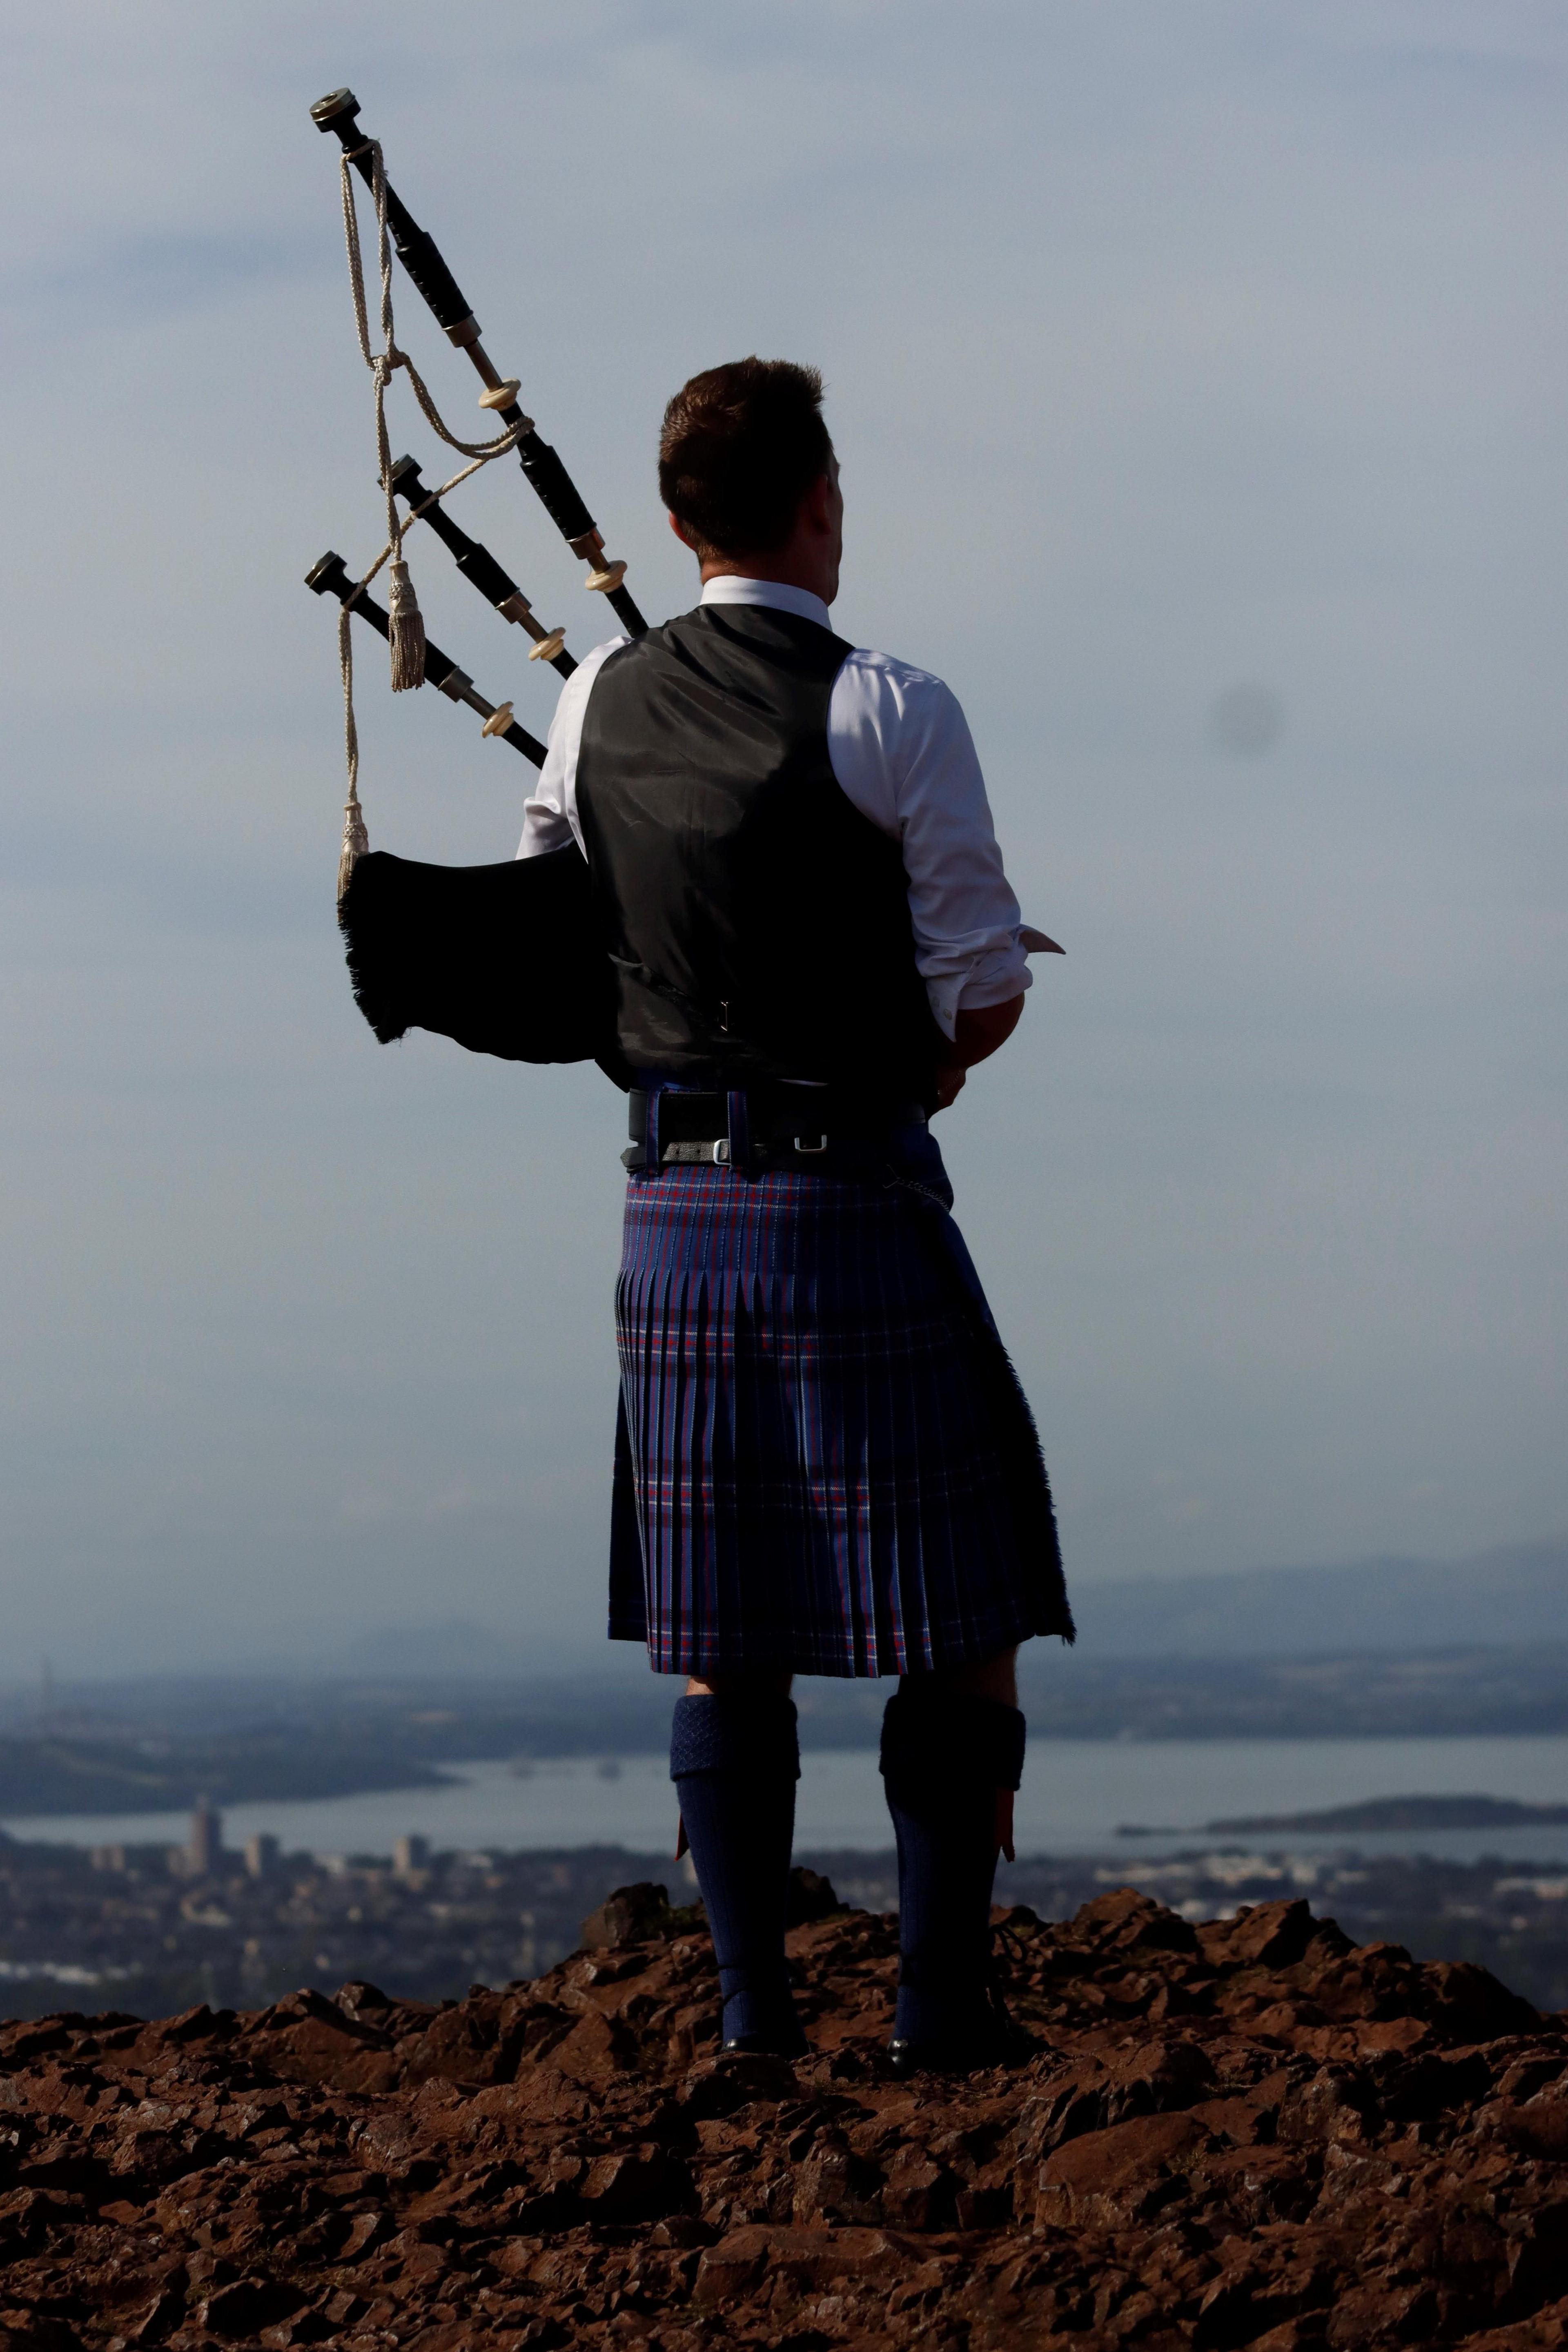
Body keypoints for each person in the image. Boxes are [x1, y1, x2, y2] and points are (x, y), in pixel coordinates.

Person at [518, 358, 1074, 2074]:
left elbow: (551, 937)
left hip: (670, 1209)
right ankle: (940, 2019)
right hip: (851, 1198)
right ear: (826, 501)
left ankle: (756, 2025)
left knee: (722, 1630)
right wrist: (927, 1060)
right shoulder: (895, 705)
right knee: (963, 1615)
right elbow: (982, 991)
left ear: (676, 526)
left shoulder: (596, 691)